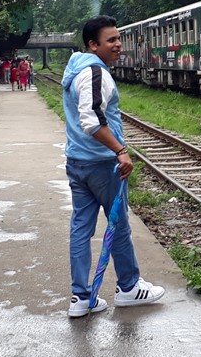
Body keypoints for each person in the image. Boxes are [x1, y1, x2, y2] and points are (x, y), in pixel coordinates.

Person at [61, 16, 165, 318]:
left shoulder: (75, 69)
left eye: (119, 39)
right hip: (102, 164)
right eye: (111, 40)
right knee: (117, 223)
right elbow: (92, 121)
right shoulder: (96, 73)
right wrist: (120, 150)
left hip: (78, 161)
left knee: (81, 227)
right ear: (93, 45)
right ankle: (129, 287)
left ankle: (81, 298)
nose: (118, 45)